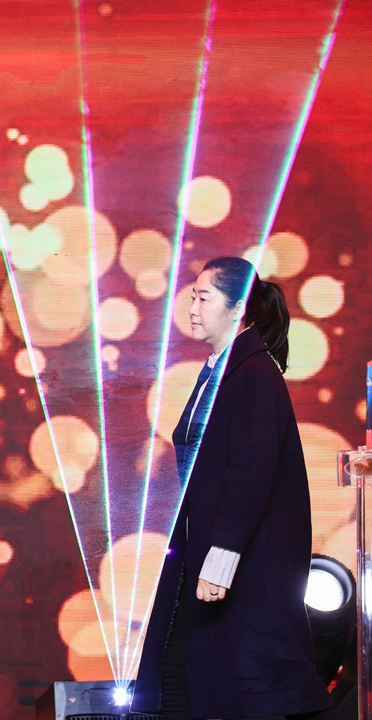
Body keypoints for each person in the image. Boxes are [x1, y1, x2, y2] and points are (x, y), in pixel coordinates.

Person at [132, 257, 334, 720]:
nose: (192, 307)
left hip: (240, 560)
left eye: (204, 298)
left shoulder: (254, 373)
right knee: (180, 676)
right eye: (193, 296)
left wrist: (220, 559)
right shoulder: (221, 370)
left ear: (237, 307)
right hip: (200, 552)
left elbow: (250, 472)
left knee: (257, 684)